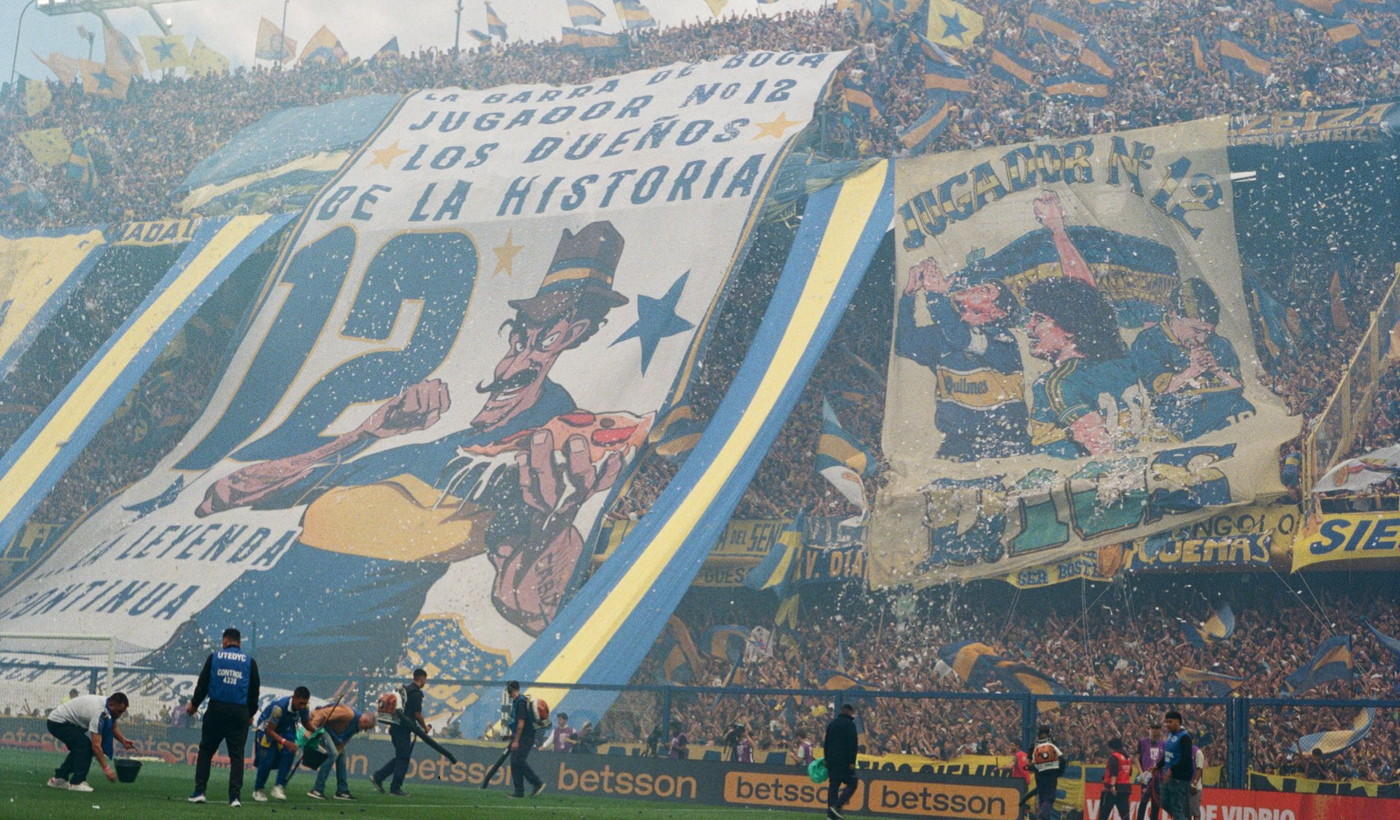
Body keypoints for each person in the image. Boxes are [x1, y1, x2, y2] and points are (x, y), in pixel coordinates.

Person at [160, 222, 642, 681]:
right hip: (207, 639)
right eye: (519, 339)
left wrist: (554, 522)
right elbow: (225, 494)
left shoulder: (521, 464)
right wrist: (367, 432)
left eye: (547, 340)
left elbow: (534, 608)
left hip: (316, 664)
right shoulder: (424, 447)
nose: (513, 363)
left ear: (573, 335)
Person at [895, 256, 1028, 461]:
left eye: (985, 289)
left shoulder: (1002, 339)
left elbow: (961, 339)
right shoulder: (943, 335)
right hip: (956, 446)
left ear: (998, 312)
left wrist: (935, 295)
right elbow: (904, 344)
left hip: (1004, 445)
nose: (973, 287)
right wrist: (909, 296)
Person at [1023, 278, 1139, 459]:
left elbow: (1103, 451)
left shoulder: (1058, 383)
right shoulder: (1122, 364)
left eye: (1039, 319)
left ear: (1069, 326)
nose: (1028, 326)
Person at [1132, 278, 1254, 441]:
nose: (1201, 339)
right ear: (1172, 312)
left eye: (1207, 332)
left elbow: (1238, 387)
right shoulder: (1148, 341)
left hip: (1230, 415)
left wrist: (1216, 370)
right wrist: (1193, 370)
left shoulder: (1220, 344)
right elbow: (1159, 391)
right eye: (1196, 330)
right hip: (1182, 420)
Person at [188, 627, 260, 807]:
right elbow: (254, 691)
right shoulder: (249, 661)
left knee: (206, 751)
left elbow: (203, 684)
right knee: (237, 756)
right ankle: (235, 797)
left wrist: (194, 704)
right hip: (239, 712)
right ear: (240, 643)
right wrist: (250, 714)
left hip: (216, 709)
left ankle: (200, 791)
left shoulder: (214, 657)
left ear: (224, 641)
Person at [45, 692, 134, 793]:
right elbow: (96, 746)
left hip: (68, 723)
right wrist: (106, 769)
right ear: (111, 704)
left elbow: (113, 726)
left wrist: (123, 740)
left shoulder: (108, 707)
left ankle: (59, 779)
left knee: (81, 748)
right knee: (85, 746)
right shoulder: (99, 712)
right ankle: (77, 782)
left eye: (122, 712)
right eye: (119, 711)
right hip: (58, 722)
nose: (119, 715)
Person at [372, 667, 429, 797]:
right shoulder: (416, 693)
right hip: (404, 729)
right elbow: (417, 714)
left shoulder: (404, 690)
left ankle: (379, 777)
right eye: (425, 680)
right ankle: (395, 788)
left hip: (395, 727)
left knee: (401, 756)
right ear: (422, 678)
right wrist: (425, 727)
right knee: (403, 758)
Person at [251, 685, 312, 802]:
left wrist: (317, 730)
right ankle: (258, 789)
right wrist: (284, 742)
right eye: (300, 703)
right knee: (267, 762)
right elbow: (270, 731)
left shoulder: (305, 707)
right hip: (267, 730)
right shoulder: (278, 708)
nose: (302, 706)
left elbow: (306, 723)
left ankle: (279, 786)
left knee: (290, 752)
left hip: (286, 729)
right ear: (294, 698)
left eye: (305, 703)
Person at [307, 703, 377, 800]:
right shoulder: (348, 713)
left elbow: (343, 741)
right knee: (333, 754)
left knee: (341, 755)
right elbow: (322, 714)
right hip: (320, 725)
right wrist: (310, 732)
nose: (365, 730)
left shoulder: (357, 727)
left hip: (331, 732)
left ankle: (342, 790)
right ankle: (317, 789)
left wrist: (338, 751)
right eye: (366, 728)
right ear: (364, 720)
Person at [506, 680, 545, 798]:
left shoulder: (521, 702)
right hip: (521, 736)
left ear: (511, 689)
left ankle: (537, 783)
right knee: (514, 762)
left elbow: (521, 723)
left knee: (518, 760)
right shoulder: (517, 701)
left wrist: (516, 741)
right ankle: (519, 791)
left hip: (525, 736)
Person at [822, 703, 860, 820]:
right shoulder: (850, 725)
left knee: (833, 786)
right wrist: (852, 761)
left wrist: (826, 759)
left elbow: (826, 743)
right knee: (853, 783)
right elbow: (853, 744)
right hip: (845, 762)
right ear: (850, 712)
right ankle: (838, 805)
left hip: (832, 761)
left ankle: (830, 814)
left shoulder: (832, 724)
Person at [1155, 711, 1194, 820]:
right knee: (1164, 802)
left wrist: (1172, 770)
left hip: (1179, 778)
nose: (1167, 724)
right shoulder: (1169, 735)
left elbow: (1186, 759)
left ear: (1177, 722)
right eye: (1166, 722)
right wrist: (1157, 766)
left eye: (1170, 722)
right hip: (1169, 777)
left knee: (1176, 807)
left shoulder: (1185, 737)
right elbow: (1167, 755)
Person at [1031, 725, 1067, 820]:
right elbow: (1062, 759)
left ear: (1038, 734)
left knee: (1042, 799)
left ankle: (1043, 817)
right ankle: (1041, 817)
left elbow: (1032, 764)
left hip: (1039, 776)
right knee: (1049, 799)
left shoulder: (1035, 746)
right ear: (1049, 733)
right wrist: (1059, 772)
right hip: (1051, 775)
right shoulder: (1052, 745)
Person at [1136, 721, 1165, 820]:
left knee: (1156, 802)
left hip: (1158, 777)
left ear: (1160, 730)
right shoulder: (1142, 742)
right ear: (1150, 729)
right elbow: (1136, 758)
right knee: (1143, 801)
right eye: (1153, 728)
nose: (1154, 730)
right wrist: (1141, 773)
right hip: (1146, 776)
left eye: (1157, 728)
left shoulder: (1163, 744)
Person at [1097, 738, 1133, 820]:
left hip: (1111, 789)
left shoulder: (1114, 756)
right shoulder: (1128, 758)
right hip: (1125, 789)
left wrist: (1112, 785)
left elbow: (1114, 772)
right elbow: (1130, 772)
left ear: (1111, 748)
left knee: (1103, 814)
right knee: (1125, 815)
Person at [1189, 744, 1206, 820]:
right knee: (1187, 812)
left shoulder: (1197, 752)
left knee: (1195, 811)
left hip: (1195, 787)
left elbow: (1199, 769)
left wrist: (1194, 784)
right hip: (1186, 786)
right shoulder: (1184, 751)